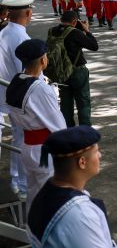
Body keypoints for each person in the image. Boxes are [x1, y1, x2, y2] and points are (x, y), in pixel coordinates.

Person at [5, 39, 67, 204]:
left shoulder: (16, 81)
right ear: (42, 60)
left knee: (33, 194)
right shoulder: (40, 89)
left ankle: (31, 226)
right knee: (50, 197)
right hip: (43, 150)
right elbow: (59, 126)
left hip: (28, 145)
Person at [0, 0, 34, 200]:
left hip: (7, 94)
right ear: (28, 13)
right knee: (22, 140)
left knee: (18, 138)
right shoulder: (20, 37)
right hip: (17, 97)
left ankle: (17, 179)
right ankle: (20, 184)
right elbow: (25, 71)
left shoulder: (5, 31)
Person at [46, 10, 99, 126]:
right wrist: (87, 31)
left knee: (65, 103)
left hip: (59, 72)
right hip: (77, 71)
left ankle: (67, 129)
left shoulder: (52, 31)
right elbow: (94, 46)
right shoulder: (75, 33)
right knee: (83, 102)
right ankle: (85, 132)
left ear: (61, 20)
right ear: (74, 22)